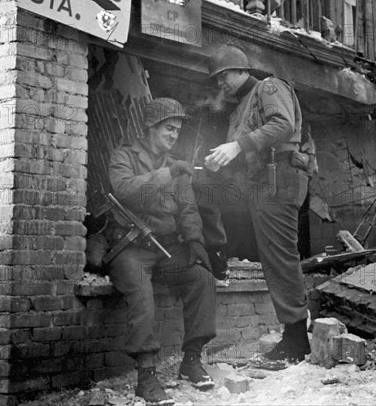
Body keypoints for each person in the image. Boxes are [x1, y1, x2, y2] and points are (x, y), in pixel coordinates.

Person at [204, 45, 311, 363]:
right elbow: (245, 149)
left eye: (224, 75)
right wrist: (219, 160)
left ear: (241, 69)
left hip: (279, 179)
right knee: (273, 257)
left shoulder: (269, 86)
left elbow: (283, 126)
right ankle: (293, 335)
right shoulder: (239, 110)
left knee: (280, 257)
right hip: (262, 184)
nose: (221, 83)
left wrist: (236, 146)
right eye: (217, 78)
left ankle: (296, 341)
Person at [107, 98, 216, 406]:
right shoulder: (124, 156)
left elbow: (188, 208)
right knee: (141, 292)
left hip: (167, 248)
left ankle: (191, 360)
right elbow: (125, 190)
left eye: (177, 130)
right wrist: (167, 174)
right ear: (150, 128)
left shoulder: (176, 165)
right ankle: (146, 376)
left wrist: (195, 241)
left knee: (201, 278)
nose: (173, 135)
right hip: (131, 248)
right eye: (169, 128)